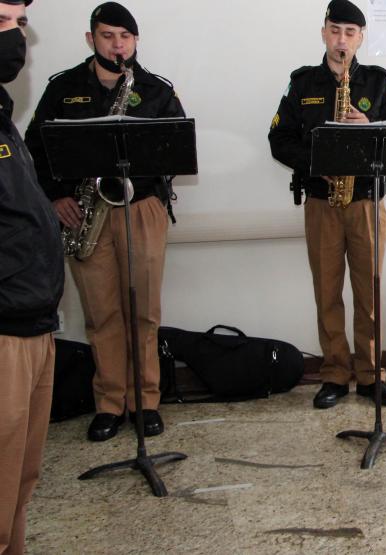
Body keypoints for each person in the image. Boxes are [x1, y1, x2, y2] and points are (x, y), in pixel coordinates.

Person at [25, 2, 186, 441]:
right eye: (108, 36)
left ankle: (146, 401)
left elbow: (176, 150)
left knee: (145, 313)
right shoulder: (63, 89)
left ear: (136, 42)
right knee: (102, 314)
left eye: (126, 37)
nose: (118, 45)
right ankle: (110, 403)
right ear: (90, 39)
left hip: (143, 208)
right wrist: (56, 197)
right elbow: (35, 149)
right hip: (85, 212)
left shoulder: (155, 90)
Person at [269, 0, 386, 410]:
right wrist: (316, 162)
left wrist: (372, 129)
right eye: (335, 30)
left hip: (365, 201)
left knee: (370, 293)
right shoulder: (303, 83)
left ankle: (370, 375)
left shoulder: (380, 83)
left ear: (361, 37)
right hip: (321, 203)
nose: (341, 40)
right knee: (327, 292)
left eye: (350, 32)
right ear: (324, 32)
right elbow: (279, 140)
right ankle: (334, 374)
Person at [0, 0, 66, 552]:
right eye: (2, 21)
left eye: (20, 24)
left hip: (35, 322)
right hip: (4, 331)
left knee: (19, 484)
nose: (17, 38)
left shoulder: (1, 113)